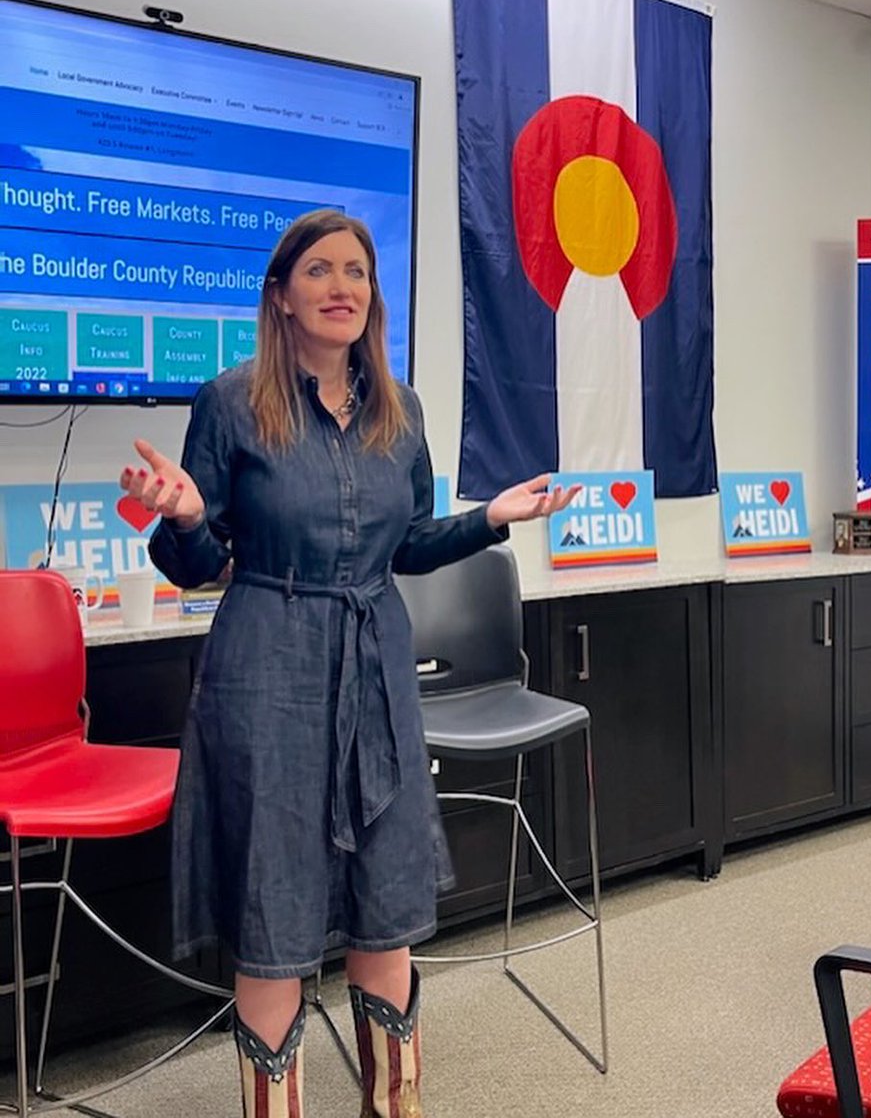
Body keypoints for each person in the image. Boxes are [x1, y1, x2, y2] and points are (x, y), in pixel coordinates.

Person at [119, 209, 577, 1118]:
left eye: (358, 272)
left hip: (375, 666)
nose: (343, 287)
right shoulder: (230, 401)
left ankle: (392, 1104)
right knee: (275, 899)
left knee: (385, 888)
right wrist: (178, 515)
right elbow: (202, 561)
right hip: (267, 665)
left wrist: (490, 519)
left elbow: (405, 544)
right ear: (282, 296)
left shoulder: (397, 412)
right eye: (320, 270)